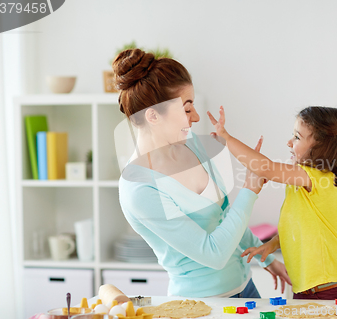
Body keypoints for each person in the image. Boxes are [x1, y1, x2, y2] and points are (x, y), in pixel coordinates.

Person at [114, 48, 291, 298]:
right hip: (202, 306)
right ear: (153, 116)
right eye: (187, 109)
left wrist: (266, 257)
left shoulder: (194, 144)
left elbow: (226, 214)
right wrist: (250, 189)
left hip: (247, 290)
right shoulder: (139, 188)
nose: (195, 117)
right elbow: (213, 254)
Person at [207, 105, 337, 300]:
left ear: (322, 147)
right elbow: (301, 225)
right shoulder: (302, 181)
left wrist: (226, 138)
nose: (289, 142)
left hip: (330, 291)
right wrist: (272, 244)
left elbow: (265, 168)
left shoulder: (318, 178)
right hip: (306, 289)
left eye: (297, 137)